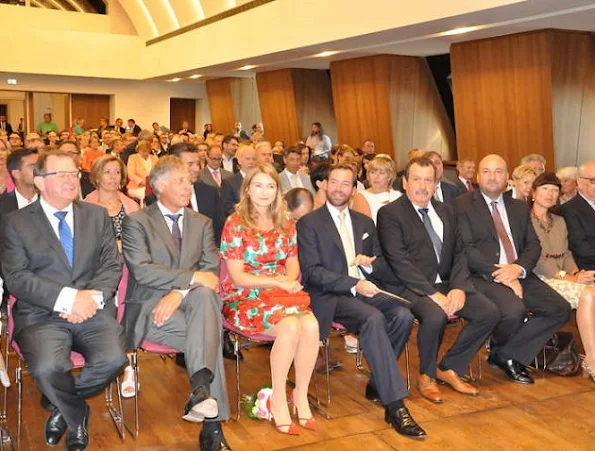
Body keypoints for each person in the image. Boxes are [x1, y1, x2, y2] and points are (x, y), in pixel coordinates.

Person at [0, 150, 126, 450]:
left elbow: (112, 265)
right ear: (40, 181)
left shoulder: (95, 215)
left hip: (92, 311)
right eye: (62, 174)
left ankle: (61, 403)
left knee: (114, 359)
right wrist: (68, 299)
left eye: (75, 173)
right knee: (47, 368)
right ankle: (77, 415)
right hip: (42, 314)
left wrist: (90, 299)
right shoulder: (16, 222)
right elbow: (16, 276)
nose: (72, 179)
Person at [297, 164, 425, 439]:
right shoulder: (309, 223)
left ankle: (380, 380)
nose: (339, 188)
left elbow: (382, 267)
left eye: (346, 184)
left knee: (403, 314)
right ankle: (395, 406)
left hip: (365, 289)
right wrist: (354, 283)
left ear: (354, 190)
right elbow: (311, 273)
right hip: (330, 295)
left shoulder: (365, 223)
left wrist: (368, 267)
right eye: (334, 182)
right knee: (374, 318)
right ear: (324, 185)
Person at [122, 156, 231, 450]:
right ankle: (213, 424)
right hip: (150, 309)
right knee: (209, 333)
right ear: (158, 186)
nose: (188, 185)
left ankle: (202, 395)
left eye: (189, 179)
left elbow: (210, 273)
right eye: (180, 180)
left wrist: (178, 292)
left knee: (206, 305)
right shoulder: (136, 222)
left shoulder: (201, 222)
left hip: (191, 304)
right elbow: (142, 270)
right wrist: (189, 281)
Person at [378, 157, 499, 402]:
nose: (423, 186)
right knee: (435, 315)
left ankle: (449, 367)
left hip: (447, 283)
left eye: (428, 180)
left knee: (489, 312)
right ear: (405, 183)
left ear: (435, 184)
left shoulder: (448, 211)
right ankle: (427, 375)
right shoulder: (390, 214)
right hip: (410, 286)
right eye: (417, 179)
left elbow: (460, 252)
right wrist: (433, 295)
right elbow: (399, 261)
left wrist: (458, 288)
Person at [453, 154, 571, 384]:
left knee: (559, 308)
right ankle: (506, 356)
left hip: (518, 273)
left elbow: (533, 245)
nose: (492, 177)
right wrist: (503, 275)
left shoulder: (517, 207)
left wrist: (517, 269)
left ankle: (506, 354)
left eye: (498, 171)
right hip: (483, 275)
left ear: (507, 178)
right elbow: (466, 250)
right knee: (514, 310)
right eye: (486, 171)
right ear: (478, 177)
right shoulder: (461, 206)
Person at [220, 164, 318, 435]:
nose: (264, 192)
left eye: (270, 186)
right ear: (248, 189)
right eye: (259, 185)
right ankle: (277, 398)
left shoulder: (285, 220)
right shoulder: (235, 223)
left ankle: (300, 395)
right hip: (244, 295)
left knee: (311, 325)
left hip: (280, 292)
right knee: (290, 326)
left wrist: (289, 281)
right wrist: (277, 282)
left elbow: (292, 261)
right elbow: (238, 277)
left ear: (278, 190)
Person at [529, 172, 595, 380]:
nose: (550, 194)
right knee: (589, 294)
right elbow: (536, 260)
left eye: (555, 190)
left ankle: (592, 357)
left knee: (591, 289)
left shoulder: (559, 220)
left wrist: (577, 272)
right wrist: (569, 277)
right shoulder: (523, 219)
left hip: (565, 274)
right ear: (533, 192)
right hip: (540, 278)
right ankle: (592, 360)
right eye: (545, 189)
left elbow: (566, 254)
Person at [561, 161, 595, 271]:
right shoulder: (569, 210)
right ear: (579, 182)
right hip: (588, 269)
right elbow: (582, 248)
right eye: (593, 180)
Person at [351, 154, 401, 224]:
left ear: (390, 176)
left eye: (381, 173)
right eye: (372, 172)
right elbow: (365, 227)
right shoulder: (361, 196)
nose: (376, 177)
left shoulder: (397, 195)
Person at [221, 145, 257, 218]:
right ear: (239, 161)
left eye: (254, 159)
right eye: (248, 159)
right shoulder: (229, 182)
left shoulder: (260, 180)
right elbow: (228, 208)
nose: (251, 162)